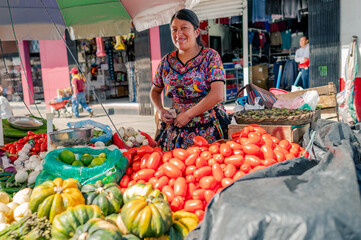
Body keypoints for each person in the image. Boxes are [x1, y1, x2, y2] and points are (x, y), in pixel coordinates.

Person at [150, 9, 230, 151]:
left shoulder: (210, 56)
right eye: (174, 29)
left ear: (197, 32)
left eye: (184, 28)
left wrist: (188, 115)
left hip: (209, 130)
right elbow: (155, 91)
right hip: (175, 131)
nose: (178, 34)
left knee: (207, 168)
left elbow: (218, 94)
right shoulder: (166, 62)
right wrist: (161, 110)